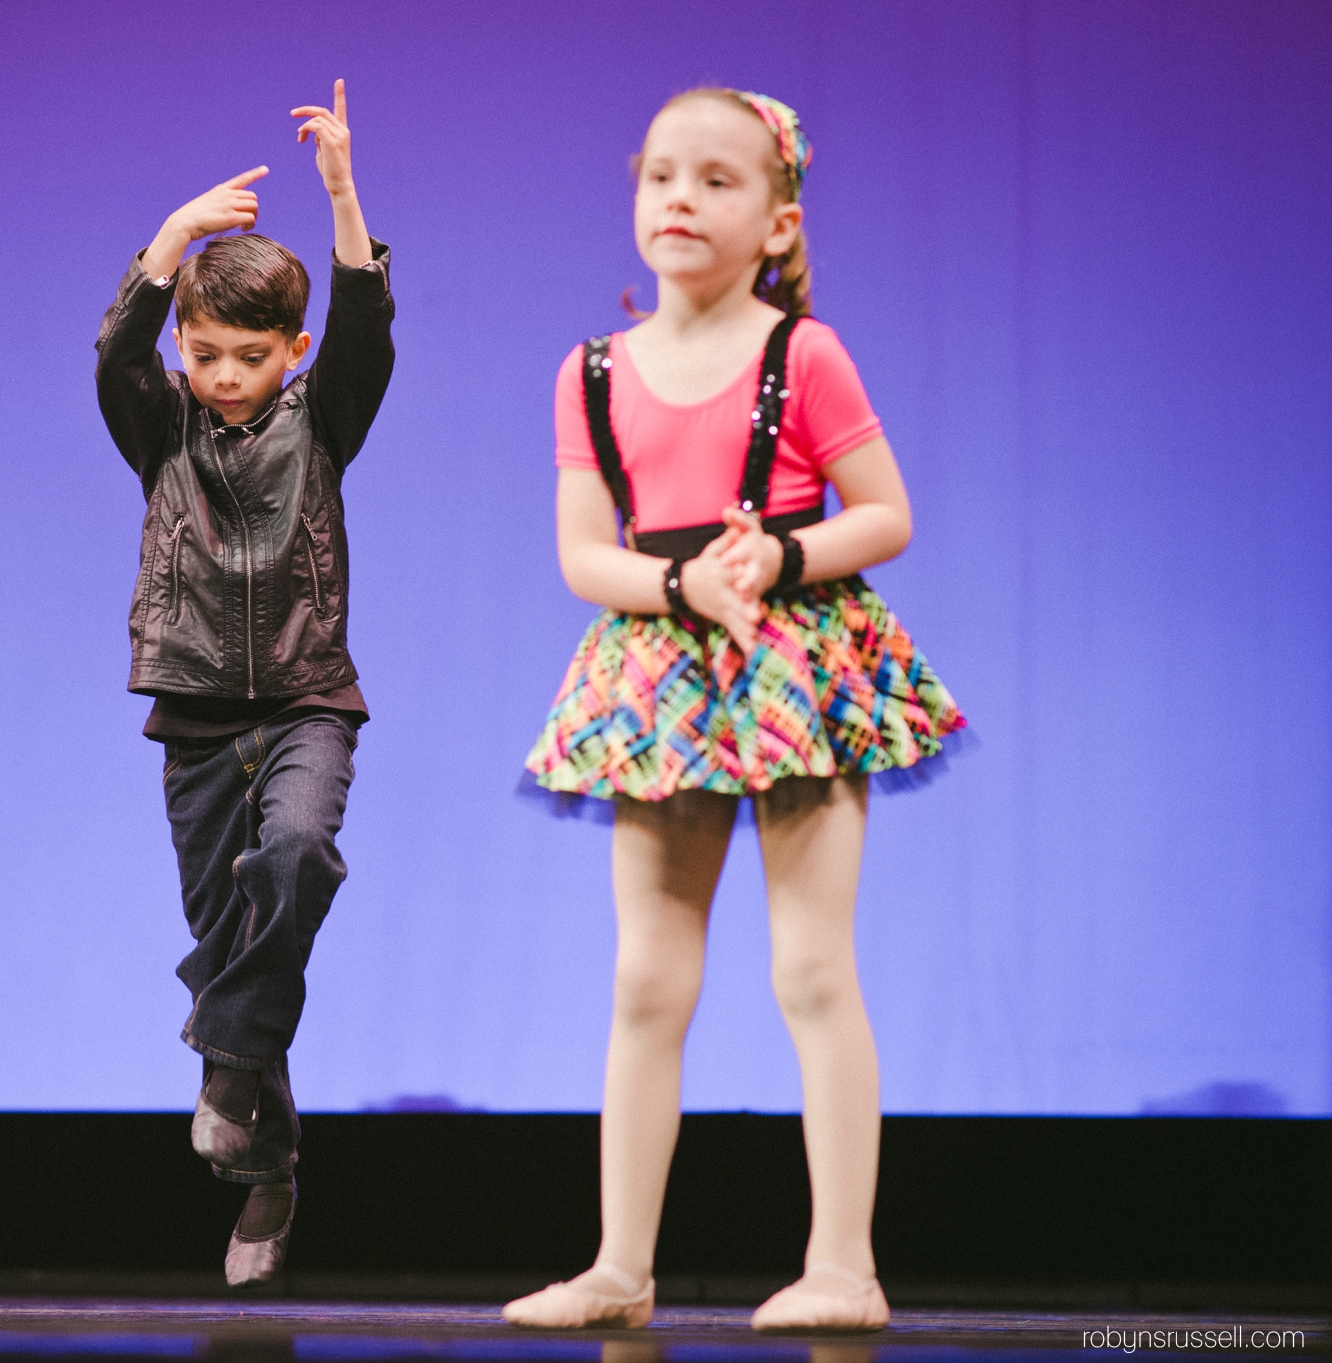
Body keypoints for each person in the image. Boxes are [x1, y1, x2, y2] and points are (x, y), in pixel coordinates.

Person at [507, 89, 966, 1332]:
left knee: (810, 965)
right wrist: (677, 583)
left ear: (776, 219)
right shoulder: (593, 372)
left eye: (715, 181)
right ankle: (618, 1265)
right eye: (660, 175)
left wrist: (781, 558)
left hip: (788, 667)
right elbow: (580, 551)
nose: (679, 200)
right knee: (647, 979)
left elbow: (884, 512)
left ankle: (840, 1263)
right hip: (658, 669)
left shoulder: (800, 355)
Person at [93, 80, 393, 1289]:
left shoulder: (322, 421)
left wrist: (337, 190)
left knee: (297, 859)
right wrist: (168, 243)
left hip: (308, 697)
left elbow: (368, 322)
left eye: (248, 357)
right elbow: (116, 345)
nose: (222, 376)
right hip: (195, 715)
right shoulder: (159, 432)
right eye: (203, 354)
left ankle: (222, 1058)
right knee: (229, 943)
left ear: (293, 353)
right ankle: (267, 1163)